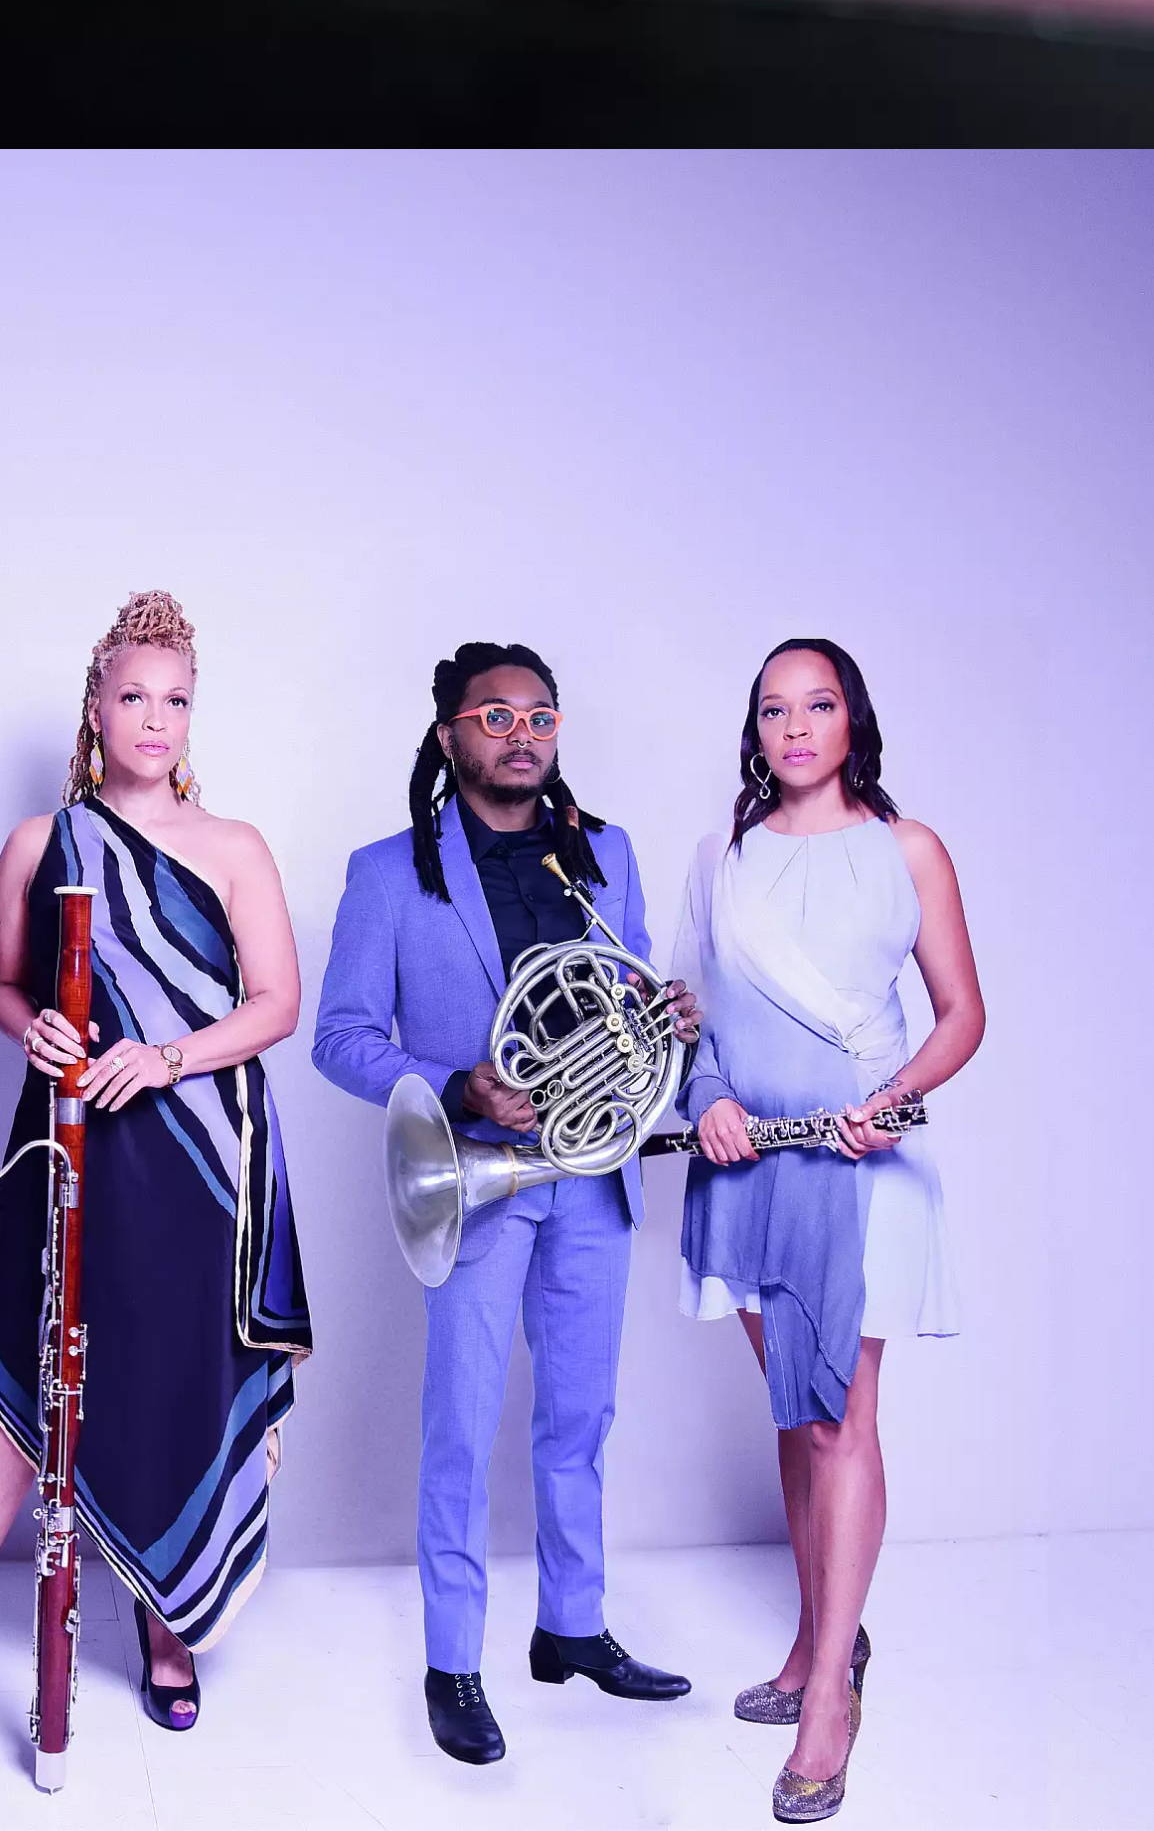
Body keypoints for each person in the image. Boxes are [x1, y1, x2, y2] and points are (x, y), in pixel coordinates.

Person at [0, 589, 309, 1755]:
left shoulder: (235, 847)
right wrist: (28, 1025)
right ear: (95, 706)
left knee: (177, 1378)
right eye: (134, 696)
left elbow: (278, 1004)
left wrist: (168, 1056)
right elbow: (5, 987)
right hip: (66, 1143)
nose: (155, 720)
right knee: (20, 1380)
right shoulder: (41, 844)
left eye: (175, 700)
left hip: (204, 1161)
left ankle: (170, 1617)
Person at [312, 642, 690, 1767]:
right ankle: (454, 1664)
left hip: (594, 1173)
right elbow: (341, 1037)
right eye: (495, 717)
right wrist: (454, 1084)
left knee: (581, 1418)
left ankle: (571, 1626)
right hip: (480, 1178)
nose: (522, 734)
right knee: (463, 1428)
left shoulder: (605, 851)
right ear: (450, 736)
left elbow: (628, 990)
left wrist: (666, 1019)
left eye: (540, 717)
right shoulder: (389, 871)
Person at [673, 637, 983, 1824]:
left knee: (843, 1420)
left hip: (860, 1169)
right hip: (750, 1168)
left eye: (818, 705)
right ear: (754, 731)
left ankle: (830, 1712)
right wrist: (707, 1098)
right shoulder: (723, 858)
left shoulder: (909, 850)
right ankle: (818, 1644)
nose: (795, 727)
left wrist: (895, 1099)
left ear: (854, 720)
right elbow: (693, 1021)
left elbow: (962, 1012)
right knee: (796, 1419)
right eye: (774, 710)